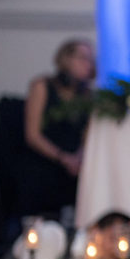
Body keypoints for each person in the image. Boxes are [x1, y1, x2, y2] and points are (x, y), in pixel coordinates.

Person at [18, 38, 95, 219]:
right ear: (66, 59)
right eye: (82, 58)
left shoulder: (88, 96)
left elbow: (88, 135)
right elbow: (32, 134)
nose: (88, 64)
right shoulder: (42, 86)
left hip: (73, 169)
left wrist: (78, 158)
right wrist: (63, 158)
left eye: (91, 60)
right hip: (43, 164)